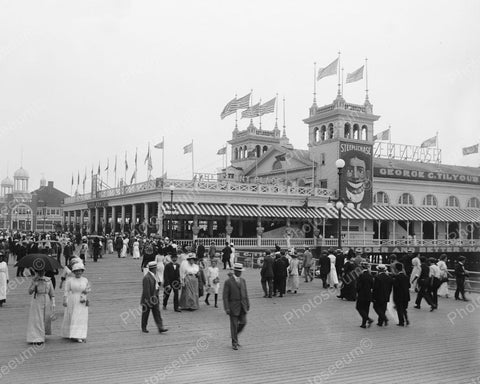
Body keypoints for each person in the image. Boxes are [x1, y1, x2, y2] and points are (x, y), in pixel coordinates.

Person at [223, 263, 250, 350]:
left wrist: (248, 303)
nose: (240, 273)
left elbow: (245, 293)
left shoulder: (243, 280)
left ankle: (234, 334)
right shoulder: (228, 282)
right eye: (238, 271)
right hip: (233, 306)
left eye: (240, 271)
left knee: (243, 322)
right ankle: (234, 342)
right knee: (234, 325)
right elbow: (225, 296)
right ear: (235, 271)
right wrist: (226, 307)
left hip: (243, 305)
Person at [61, 263, 90, 342]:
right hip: (73, 299)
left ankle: (80, 334)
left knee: (82, 318)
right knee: (75, 316)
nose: (78, 272)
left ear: (82, 271)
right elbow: (66, 291)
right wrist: (65, 300)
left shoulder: (85, 280)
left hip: (82, 300)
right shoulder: (70, 280)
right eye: (76, 271)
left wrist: (85, 293)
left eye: (80, 271)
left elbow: (88, 288)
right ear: (74, 272)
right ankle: (74, 334)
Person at [26, 268, 55, 344]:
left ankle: (43, 334)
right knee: (37, 318)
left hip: (46, 299)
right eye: (39, 271)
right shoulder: (34, 280)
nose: (41, 272)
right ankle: (37, 337)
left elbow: (52, 293)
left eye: (43, 271)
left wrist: (53, 303)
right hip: (37, 299)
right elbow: (29, 292)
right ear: (37, 272)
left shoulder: (48, 280)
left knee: (45, 318)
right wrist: (34, 286)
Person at [140, 261, 168, 334]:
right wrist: (149, 301)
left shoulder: (153, 276)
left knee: (157, 313)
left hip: (155, 298)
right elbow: (146, 291)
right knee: (145, 314)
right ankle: (144, 327)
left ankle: (160, 327)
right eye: (156, 268)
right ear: (153, 269)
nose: (156, 269)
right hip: (148, 299)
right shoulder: (147, 278)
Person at [356, 262, 374, 328]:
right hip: (368, 294)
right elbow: (372, 285)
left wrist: (357, 291)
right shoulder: (370, 275)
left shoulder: (361, 275)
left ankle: (368, 319)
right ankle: (363, 323)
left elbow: (358, 286)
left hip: (362, 294)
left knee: (359, 307)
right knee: (366, 309)